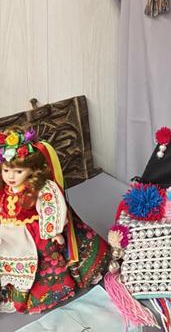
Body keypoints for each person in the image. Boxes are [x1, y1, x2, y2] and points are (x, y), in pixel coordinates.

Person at [0, 128, 109, 313]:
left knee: (45, 260)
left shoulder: (37, 189)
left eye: (18, 171)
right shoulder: (5, 189)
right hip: (8, 234)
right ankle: (11, 291)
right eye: (6, 170)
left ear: (31, 170)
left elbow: (49, 207)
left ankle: (47, 292)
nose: (11, 176)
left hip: (34, 234)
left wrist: (54, 231)